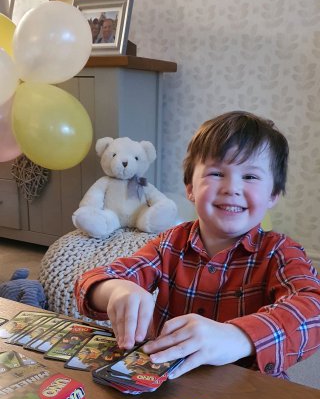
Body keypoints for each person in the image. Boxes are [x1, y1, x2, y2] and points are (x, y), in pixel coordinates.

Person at [75, 111, 320, 380]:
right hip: (166, 379)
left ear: (273, 194)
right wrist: (115, 290)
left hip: (250, 390)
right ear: (190, 188)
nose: (231, 188)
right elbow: (91, 282)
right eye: (216, 173)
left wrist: (237, 336)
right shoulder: (169, 243)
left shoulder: (281, 251)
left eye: (250, 177)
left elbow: (311, 308)